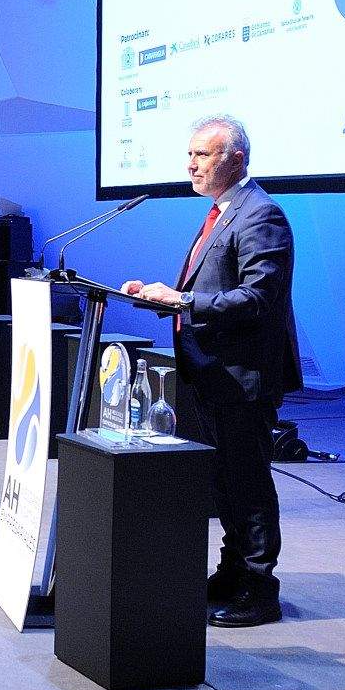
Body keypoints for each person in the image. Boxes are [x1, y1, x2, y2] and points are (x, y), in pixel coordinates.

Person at [119, 114, 301, 629]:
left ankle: (260, 589)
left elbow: (260, 298)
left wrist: (182, 299)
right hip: (209, 372)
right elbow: (212, 292)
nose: (190, 164)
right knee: (224, 483)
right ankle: (231, 573)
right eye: (191, 153)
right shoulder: (223, 214)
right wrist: (165, 299)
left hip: (242, 377)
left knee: (248, 483)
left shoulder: (261, 215)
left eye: (202, 154)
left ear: (236, 158)